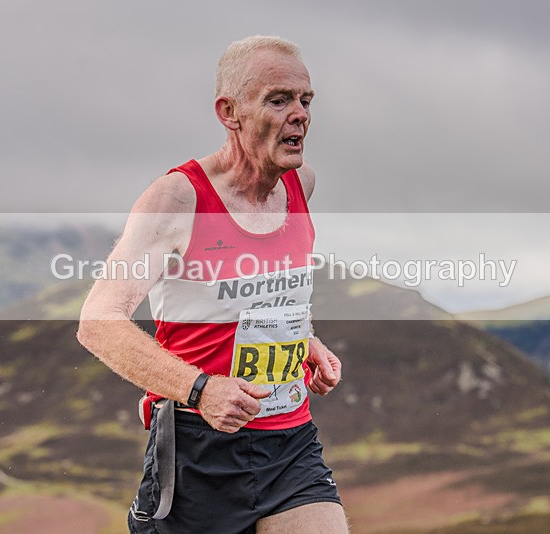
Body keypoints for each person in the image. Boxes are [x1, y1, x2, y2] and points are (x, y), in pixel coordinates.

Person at [77, 35, 348, 533]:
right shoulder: (178, 200)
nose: (300, 114)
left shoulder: (300, 184)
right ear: (229, 111)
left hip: (290, 445)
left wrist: (300, 339)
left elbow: (264, 291)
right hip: (196, 455)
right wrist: (199, 389)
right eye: (279, 99)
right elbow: (98, 322)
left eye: (306, 100)